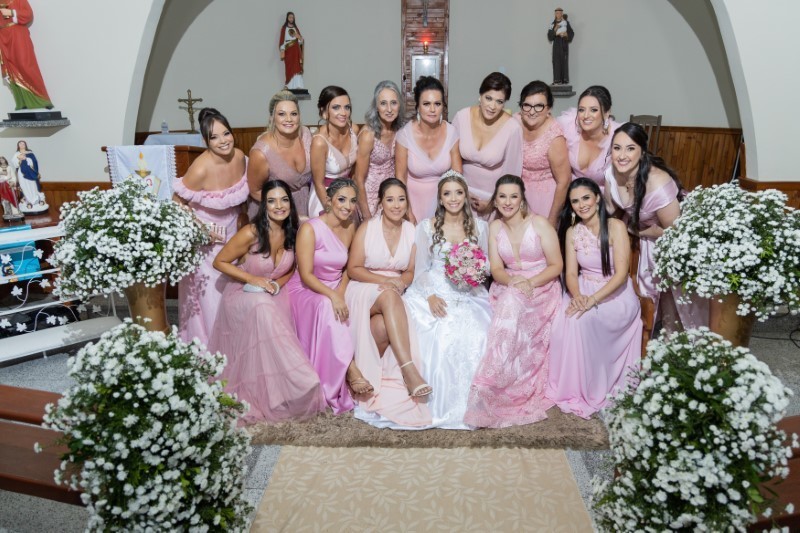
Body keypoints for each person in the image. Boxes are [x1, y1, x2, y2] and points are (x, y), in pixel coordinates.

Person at [208, 180, 326, 424]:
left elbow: (290, 269)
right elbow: (220, 262)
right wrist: (254, 279)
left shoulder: (293, 232)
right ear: (264, 205)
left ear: (291, 203)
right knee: (262, 307)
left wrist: (277, 284)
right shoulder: (251, 232)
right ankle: (301, 378)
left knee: (273, 307)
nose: (279, 206)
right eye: (272, 201)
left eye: (284, 200)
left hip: (273, 294)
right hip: (241, 295)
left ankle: (278, 393)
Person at [465, 175, 562, 428]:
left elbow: (556, 265)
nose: (508, 202)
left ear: (522, 200)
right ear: (495, 201)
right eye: (502, 196)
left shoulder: (539, 223)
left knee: (512, 304)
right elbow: (496, 269)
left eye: (513, 196)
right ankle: (493, 383)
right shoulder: (495, 227)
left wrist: (530, 282)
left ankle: (493, 381)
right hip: (507, 285)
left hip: (541, 286)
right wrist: (512, 282)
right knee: (507, 303)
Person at [547, 178, 642, 418]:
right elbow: (570, 273)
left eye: (586, 198)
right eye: (575, 201)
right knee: (562, 321)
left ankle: (594, 386)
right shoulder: (572, 232)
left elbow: (621, 274)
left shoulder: (615, 226)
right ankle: (571, 387)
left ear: (597, 198)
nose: (581, 205)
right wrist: (578, 296)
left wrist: (593, 300)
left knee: (584, 321)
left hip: (615, 293)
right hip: (582, 287)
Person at [403, 171, 491, 429]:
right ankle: (430, 400)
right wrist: (430, 296)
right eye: (447, 193)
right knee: (436, 333)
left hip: (468, 291)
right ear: (440, 199)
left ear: (465, 196)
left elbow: (485, 267)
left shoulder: (480, 227)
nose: (453, 198)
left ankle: (475, 405)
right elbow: (420, 270)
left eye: (459, 193)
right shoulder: (426, 227)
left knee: (479, 331)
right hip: (434, 287)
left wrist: (472, 272)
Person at [603, 122, 707, 331]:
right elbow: (609, 208)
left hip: (669, 238)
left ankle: (671, 334)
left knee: (673, 297)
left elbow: (675, 231)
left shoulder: (658, 183)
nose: (621, 156)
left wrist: (636, 231)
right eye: (617, 148)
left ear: (642, 152)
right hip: (639, 231)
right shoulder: (611, 172)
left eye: (630, 148)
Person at [346, 178, 432, 428]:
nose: (396, 205)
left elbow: (411, 271)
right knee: (390, 296)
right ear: (381, 202)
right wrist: (386, 282)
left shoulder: (412, 230)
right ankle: (409, 370)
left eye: (401, 199)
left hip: (394, 289)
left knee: (382, 328)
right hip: (364, 286)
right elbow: (354, 268)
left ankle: (371, 371)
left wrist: (401, 283)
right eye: (390, 199)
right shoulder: (367, 227)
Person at [286, 178, 369, 414]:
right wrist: (333, 296)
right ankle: (350, 370)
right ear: (329, 200)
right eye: (341, 199)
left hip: (336, 286)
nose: (347, 206)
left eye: (352, 201)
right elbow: (305, 274)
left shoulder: (351, 225)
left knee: (357, 301)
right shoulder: (310, 228)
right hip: (306, 289)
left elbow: (348, 268)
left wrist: (340, 291)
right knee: (326, 306)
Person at [173, 108, 249, 346]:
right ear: (206, 141)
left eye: (226, 133)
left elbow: (242, 196)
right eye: (214, 137)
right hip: (207, 238)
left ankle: (237, 342)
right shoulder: (200, 168)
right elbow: (177, 203)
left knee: (235, 290)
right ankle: (213, 345)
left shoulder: (240, 157)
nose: (223, 141)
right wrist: (201, 229)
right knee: (212, 296)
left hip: (234, 232)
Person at [453, 72, 523, 219]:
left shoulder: (512, 128)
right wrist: (461, 191)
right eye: (488, 98)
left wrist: (493, 203)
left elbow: (512, 174)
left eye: (499, 101)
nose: (492, 106)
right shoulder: (461, 117)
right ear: (480, 95)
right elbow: (452, 160)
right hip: (460, 195)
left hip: (493, 200)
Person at [395, 76, 461, 223]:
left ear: (443, 106)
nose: (432, 110)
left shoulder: (452, 132)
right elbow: (400, 178)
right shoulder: (404, 135)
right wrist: (407, 211)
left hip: (444, 203)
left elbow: (457, 176)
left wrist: (451, 208)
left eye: (437, 104)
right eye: (426, 104)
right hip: (412, 203)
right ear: (418, 107)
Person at [247, 90, 312, 218]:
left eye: (293, 114)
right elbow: (255, 191)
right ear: (272, 117)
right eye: (282, 114)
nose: (289, 119)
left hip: (305, 204)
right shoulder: (261, 153)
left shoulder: (306, 135)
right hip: (274, 214)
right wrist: (284, 210)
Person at [515, 81, 571, 226]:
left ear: (548, 109)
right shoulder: (514, 123)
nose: (532, 111)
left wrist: (553, 219)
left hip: (544, 200)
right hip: (517, 197)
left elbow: (564, 181)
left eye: (539, 106)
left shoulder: (554, 136)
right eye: (527, 105)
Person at [353, 80, 405, 219]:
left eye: (393, 103)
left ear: (399, 105)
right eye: (383, 103)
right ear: (376, 107)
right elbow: (358, 178)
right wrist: (366, 214)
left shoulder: (400, 130)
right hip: (369, 196)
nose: (389, 109)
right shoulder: (368, 135)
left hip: (390, 194)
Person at [556, 85, 621, 191]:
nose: (586, 115)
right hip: (573, 194)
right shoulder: (569, 125)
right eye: (581, 110)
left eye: (593, 110)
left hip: (606, 197)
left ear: (607, 113)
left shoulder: (618, 137)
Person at [308, 86, 358, 217]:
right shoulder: (319, 142)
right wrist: (331, 211)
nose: (343, 113)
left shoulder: (353, 130)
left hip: (348, 196)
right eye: (336, 107)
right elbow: (318, 184)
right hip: (325, 197)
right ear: (324, 112)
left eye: (347, 107)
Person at [0, 0, 53, 109]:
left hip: (17, 33)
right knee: (10, 69)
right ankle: (22, 102)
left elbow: (28, 14)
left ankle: (41, 99)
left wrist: (12, 13)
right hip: (3, 36)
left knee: (24, 64)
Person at [12, 140, 46, 212]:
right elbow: (15, 163)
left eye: (23, 143)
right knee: (24, 186)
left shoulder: (30, 153)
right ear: (18, 145)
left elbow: (34, 162)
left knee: (32, 185)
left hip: (30, 172)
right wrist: (20, 160)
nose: (22, 145)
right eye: (20, 144)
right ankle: (27, 200)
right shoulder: (16, 154)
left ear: (25, 145)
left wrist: (26, 159)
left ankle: (35, 199)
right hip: (22, 173)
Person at [547, 8, 574, 86]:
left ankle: (564, 80)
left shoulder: (566, 23)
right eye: (557, 13)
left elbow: (571, 33)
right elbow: (549, 36)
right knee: (556, 62)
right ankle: (557, 80)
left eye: (559, 13)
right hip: (556, 45)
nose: (558, 14)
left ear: (562, 14)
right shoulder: (552, 24)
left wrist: (566, 35)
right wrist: (555, 30)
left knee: (564, 62)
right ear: (555, 14)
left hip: (564, 44)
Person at [278, 11, 304, 90]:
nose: (291, 19)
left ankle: (298, 85)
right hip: (288, 50)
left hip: (296, 50)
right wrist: (282, 49)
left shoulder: (295, 28)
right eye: (290, 17)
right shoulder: (284, 28)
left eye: (292, 17)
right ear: (287, 18)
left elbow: (301, 41)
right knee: (289, 67)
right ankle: (289, 85)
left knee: (297, 67)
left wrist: (299, 37)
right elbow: (282, 40)